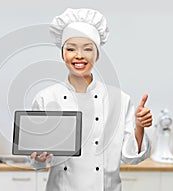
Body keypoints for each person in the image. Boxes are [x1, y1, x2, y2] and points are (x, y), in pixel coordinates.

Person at [29, 8, 152, 191]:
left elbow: (131, 156)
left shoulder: (118, 99)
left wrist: (140, 126)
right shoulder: (46, 98)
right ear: (63, 54)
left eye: (87, 49)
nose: (79, 55)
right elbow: (35, 156)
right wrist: (37, 157)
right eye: (71, 49)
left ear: (97, 55)